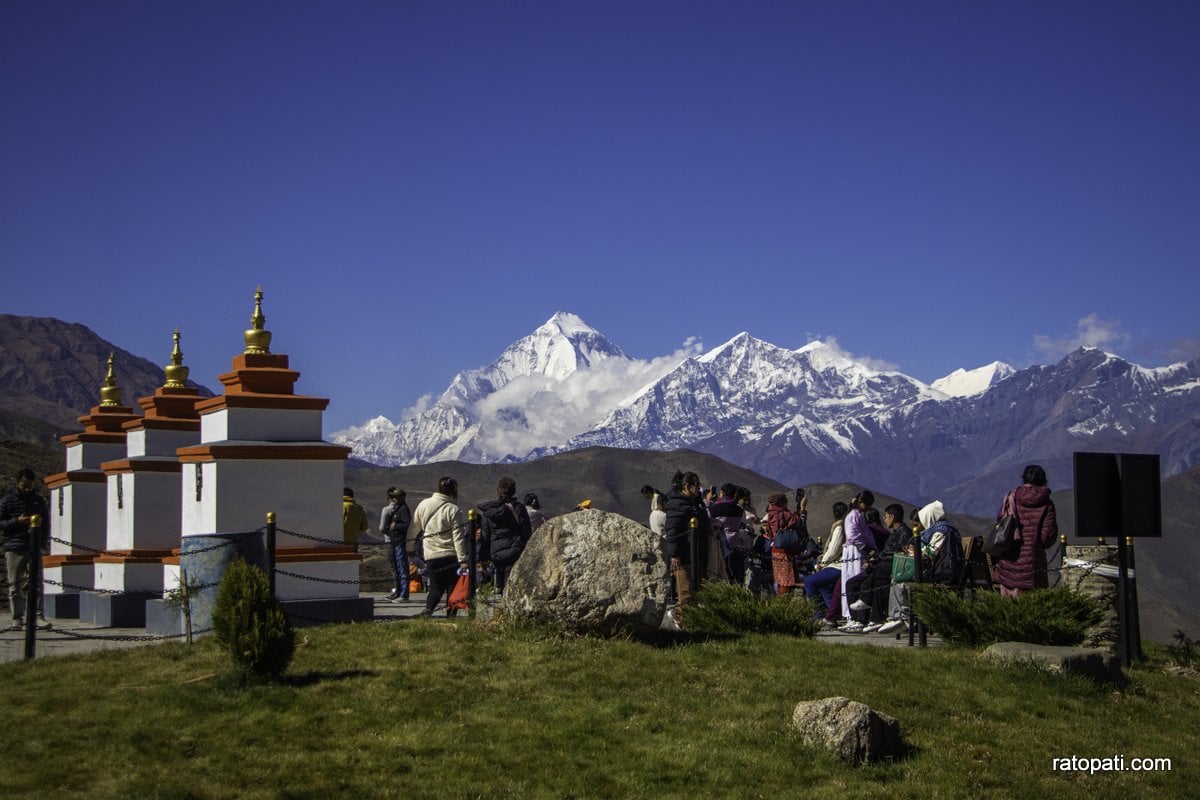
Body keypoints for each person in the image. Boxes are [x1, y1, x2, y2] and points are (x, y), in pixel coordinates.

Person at [992, 464, 1059, 598]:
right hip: (1032, 565)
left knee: (1007, 611)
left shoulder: (1011, 497)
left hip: (1008, 561)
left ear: (1024, 478)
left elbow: (1000, 522)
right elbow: (1047, 538)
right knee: (1031, 609)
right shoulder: (1047, 504)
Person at [412, 477, 469, 617]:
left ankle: (428, 610)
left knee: (436, 586)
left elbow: (414, 527)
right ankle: (451, 615)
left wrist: (409, 547)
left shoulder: (424, 504)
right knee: (451, 586)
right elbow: (458, 537)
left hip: (431, 554)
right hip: (450, 555)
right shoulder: (453, 509)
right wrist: (462, 559)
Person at [1, 468, 50, 628]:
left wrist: (43, 543)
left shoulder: (39, 501)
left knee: (36, 583)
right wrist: (17, 521)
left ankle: (37, 616)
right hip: (14, 547)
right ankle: (17, 617)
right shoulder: (7, 502)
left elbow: (46, 524)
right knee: (15, 584)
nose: (27, 488)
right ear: (18, 483)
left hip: (34, 547)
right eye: (24, 485)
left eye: (30, 485)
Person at [662, 471, 711, 620]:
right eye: (696, 486)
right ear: (687, 486)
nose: (698, 489)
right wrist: (674, 554)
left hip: (697, 551)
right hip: (683, 554)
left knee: (698, 590)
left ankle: (693, 620)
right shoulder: (677, 504)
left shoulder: (695, 503)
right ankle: (684, 622)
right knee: (686, 591)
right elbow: (672, 530)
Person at [478, 477, 534, 596]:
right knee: (511, 582)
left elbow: (485, 535)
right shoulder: (518, 508)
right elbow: (526, 530)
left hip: (495, 552)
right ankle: (507, 605)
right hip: (514, 549)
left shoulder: (489, 512)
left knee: (499, 577)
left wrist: (483, 557)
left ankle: (501, 601)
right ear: (513, 490)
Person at [803, 501, 848, 627]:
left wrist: (822, 563)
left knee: (810, 581)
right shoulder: (844, 526)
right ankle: (831, 613)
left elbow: (834, 550)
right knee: (822, 585)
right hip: (837, 563)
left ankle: (819, 614)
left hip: (838, 564)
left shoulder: (840, 528)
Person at [839, 491, 875, 629]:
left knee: (857, 580)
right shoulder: (853, 516)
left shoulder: (858, 516)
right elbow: (852, 536)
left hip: (857, 550)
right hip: (855, 551)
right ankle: (852, 615)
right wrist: (866, 549)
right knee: (853, 578)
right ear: (861, 503)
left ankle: (857, 616)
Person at [764, 492, 801, 595]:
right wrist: (802, 510)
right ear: (782, 502)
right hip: (785, 551)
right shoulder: (785, 514)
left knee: (780, 580)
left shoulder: (770, 514)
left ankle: (780, 603)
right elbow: (798, 522)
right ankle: (783, 605)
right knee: (787, 581)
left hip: (775, 549)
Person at [380, 487, 411, 601]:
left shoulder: (403, 509)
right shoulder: (397, 509)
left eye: (396, 497)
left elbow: (406, 524)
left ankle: (403, 594)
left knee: (402, 568)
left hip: (399, 541)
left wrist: (395, 526)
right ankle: (398, 592)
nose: (394, 499)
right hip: (395, 541)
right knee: (398, 568)